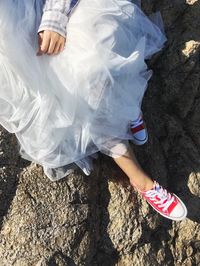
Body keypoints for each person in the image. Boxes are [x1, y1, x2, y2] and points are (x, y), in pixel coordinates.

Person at [0, 0, 187, 221]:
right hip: (14, 33)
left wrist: (55, 18)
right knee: (75, 91)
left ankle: (128, 110)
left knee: (101, 50)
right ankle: (140, 179)